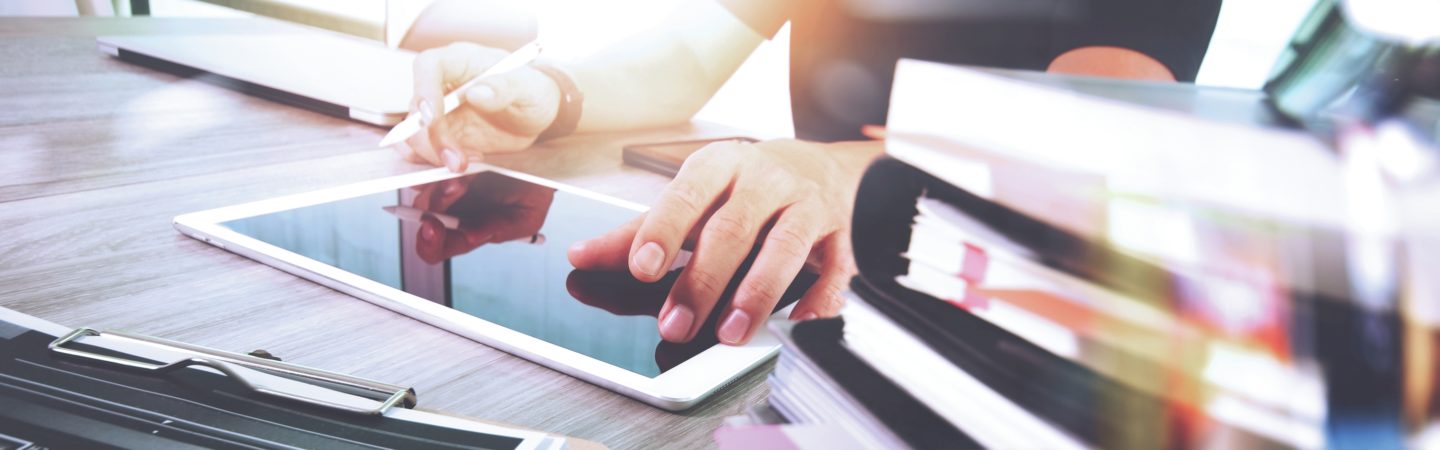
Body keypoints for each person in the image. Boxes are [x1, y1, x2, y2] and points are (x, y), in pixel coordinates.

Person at [398, 0, 1222, 346]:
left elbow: (1087, 132)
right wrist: (551, 92)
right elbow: (690, 51)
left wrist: (841, 170)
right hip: (801, 289)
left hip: (998, 314)